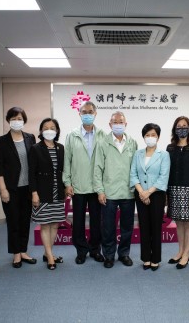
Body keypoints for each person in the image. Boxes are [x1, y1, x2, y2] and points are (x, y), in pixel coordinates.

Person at [63, 101, 106, 264]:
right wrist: (67, 183)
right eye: (84, 112)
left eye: (90, 111)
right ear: (79, 114)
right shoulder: (72, 135)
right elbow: (67, 160)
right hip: (78, 186)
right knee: (78, 220)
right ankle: (81, 250)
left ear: (95, 114)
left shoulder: (102, 134)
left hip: (97, 187)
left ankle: (95, 250)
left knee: (97, 221)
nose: (87, 114)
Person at [94, 111, 138, 268]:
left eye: (121, 122)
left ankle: (124, 254)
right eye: (115, 122)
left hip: (128, 192)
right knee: (108, 227)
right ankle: (109, 255)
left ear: (126, 124)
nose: (118, 124)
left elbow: (136, 167)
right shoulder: (102, 143)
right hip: (109, 193)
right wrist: (100, 190)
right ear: (110, 125)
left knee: (127, 227)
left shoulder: (132, 143)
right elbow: (97, 169)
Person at [0, 107, 37, 268]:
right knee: (13, 222)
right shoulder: (1, 141)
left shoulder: (30, 138)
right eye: (13, 118)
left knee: (25, 221)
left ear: (24, 120)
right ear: (8, 121)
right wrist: (2, 189)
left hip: (27, 188)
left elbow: (33, 164)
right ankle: (16, 254)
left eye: (19, 118)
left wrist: (35, 190)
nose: (16, 121)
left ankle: (24, 251)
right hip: (10, 189)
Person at [130, 123, 170, 271]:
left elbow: (163, 177)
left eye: (153, 135)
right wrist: (141, 192)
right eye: (147, 135)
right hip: (140, 195)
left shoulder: (164, 155)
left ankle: (156, 258)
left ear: (158, 137)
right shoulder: (137, 154)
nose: (150, 137)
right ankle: (146, 258)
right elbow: (133, 174)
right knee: (144, 226)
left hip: (157, 195)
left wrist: (148, 192)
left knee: (155, 227)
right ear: (143, 137)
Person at [166, 116, 189, 269]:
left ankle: (187, 254)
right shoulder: (170, 147)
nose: (181, 128)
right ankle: (180, 251)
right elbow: (167, 171)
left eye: (184, 125)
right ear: (175, 129)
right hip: (174, 190)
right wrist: (166, 193)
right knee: (179, 223)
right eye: (178, 126)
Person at [29, 118, 65, 270]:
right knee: (45, 225)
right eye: (46, 127)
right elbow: (31, 173)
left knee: (55, 224)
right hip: (42, 192)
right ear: (41, 131)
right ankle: (50, 256)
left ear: (57, 131)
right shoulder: (36, 148)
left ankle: (47, 252)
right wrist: (34, 193)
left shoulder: (61, 147)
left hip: (57, 192)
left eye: (52, 127)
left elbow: (63, 169)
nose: (49, 130)